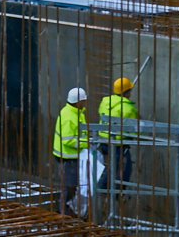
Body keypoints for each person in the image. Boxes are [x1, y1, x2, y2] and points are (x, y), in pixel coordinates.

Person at [53, 87, 91, 216]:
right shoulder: (70, 117)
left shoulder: (76, 112)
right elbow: (67, 140)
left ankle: (67, 211)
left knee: (72, 186)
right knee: (69, 187)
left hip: (71, 157)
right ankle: (64, 213)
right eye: (83, 100)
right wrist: (86, 143)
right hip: (67, 158)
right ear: (77, 101)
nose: (85, 103)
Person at [97, 77, 139, 188]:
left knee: (114, 167)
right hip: (118, 145)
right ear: (127, 92)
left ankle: (108, 192)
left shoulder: (105, 101)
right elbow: (135, 131)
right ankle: (110, 193)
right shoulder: (129, 109)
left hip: (104, 142)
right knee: (124, 170)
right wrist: (145, 137)